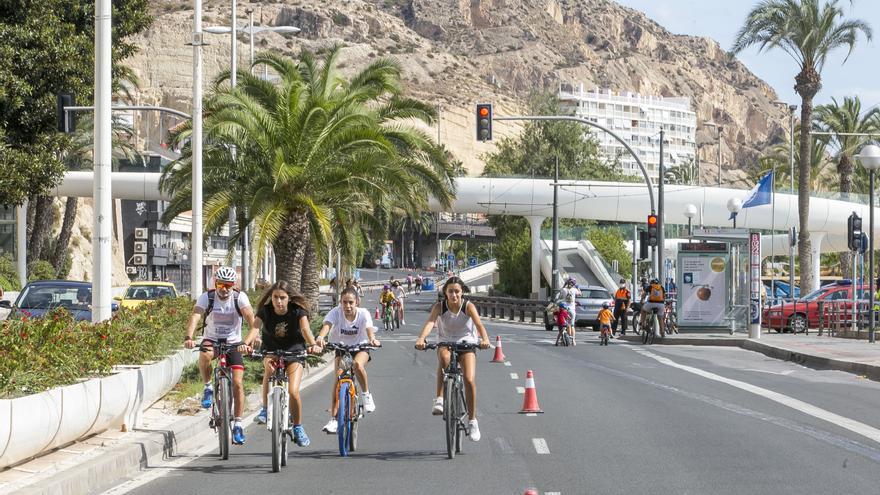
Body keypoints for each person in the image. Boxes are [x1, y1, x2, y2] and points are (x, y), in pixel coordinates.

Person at [183, 267, 256, 446]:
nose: (224, 289)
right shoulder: (206, 297)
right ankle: (208, 387)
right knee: (205, 354)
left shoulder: (240, 298)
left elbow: (252, 321)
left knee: (238, 383)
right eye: (220, 284)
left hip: (234, 343)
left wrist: (248, 342)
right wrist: (189, 337)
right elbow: (195, 317)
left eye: (228, 285)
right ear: (215, 283)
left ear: (233, 285)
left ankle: (238, 424)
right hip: (212, 339)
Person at [240, 280, 318, 447]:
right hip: (271, 350)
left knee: (293, 391)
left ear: (289, 298)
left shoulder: (298, 311)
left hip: (294, 352)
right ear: (271, 298)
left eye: (282, 297)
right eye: (275, 297)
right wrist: (246, 344)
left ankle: (298, 427)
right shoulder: (265, 311)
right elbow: (255, 329)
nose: (279, 301)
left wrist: (312, 344)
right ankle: (265, 409)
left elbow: (305, 330)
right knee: (268, 371)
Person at [414, 277, 490, 442]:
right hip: (446, 341)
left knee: (469, 379)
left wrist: (484, 339)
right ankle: (440, 399)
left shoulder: (468, 306)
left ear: (462, 292)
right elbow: (430, 323)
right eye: (450, 291)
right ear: (445, 293)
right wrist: (421, 339)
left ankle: (472, 421)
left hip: (467, 343)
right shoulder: (439, 307)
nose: (454, 294)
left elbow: (479, 325)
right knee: (443, 359)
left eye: (457, 291)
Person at [315, 287, 381, 433]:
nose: (348, 306)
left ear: (357, 302)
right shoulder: (336, 312)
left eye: (351, 302)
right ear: (341, 302)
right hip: (341, 347)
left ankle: (366, 394)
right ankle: (334, 419)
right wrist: (320, 337)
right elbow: (327, 325)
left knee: (357, 365)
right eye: (344, 302)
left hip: (360, 347)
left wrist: (372, 339)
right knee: (338, 377)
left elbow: (369, 328)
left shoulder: (363, 313)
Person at [557, 277, 581, 345]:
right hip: (572, 309)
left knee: (565, 324)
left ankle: (563, 337)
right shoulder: (574, 290)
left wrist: (564, 285)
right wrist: (578, 287)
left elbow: (560, 296)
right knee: (572, 325)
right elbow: (580, 293)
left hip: (565, 309)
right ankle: (573, 341)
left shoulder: (564, 290)